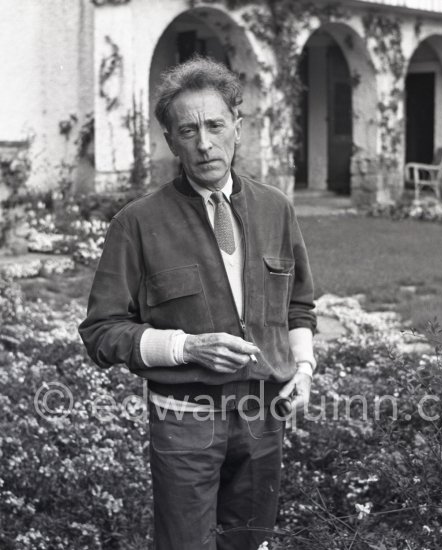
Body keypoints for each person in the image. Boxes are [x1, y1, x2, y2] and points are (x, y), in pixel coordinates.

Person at [78, 55, 317, 550]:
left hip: (262, 417)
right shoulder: (137, 223)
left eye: (215, 125)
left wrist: (305, 368)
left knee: (250, 542)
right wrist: (188, 347)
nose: (204, 143)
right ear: (170, 141)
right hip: (183, 421)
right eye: (188, 130)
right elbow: (101, 333)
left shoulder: (276, 208)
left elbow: (298, 305)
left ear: (238, 126)